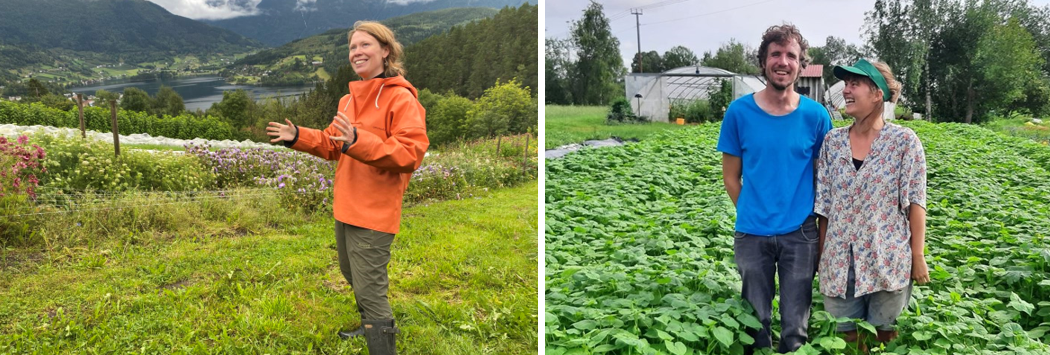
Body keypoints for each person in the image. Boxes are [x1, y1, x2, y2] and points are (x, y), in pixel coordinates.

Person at [266, 20, 428, 355]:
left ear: (386, 51)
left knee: (369, 286)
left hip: (375, 210)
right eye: (353, 47)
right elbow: (332, 144)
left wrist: (360, 141)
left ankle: (382, 344)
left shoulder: (401, 99)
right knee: (351, 272)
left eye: (365, 45)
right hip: (346, 204)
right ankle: (370, 324)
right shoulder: (347, 100)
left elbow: (410, 153)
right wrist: (298, 137)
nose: (357, 52)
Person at [716, 24, 832, 353]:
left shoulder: (816, 116)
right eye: (776, 54)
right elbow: (730, 177)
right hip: (752, 233)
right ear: (764, 62)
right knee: (755, 321)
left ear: (801, 64)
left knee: (796, 325)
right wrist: (752, 210)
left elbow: (822, 177)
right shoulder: (739, 113)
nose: (783, 61)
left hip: (801, 233)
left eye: (791, 55)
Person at [814, 59, 929, 350]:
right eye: (846, 84)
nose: (846, 90)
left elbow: (915, 201)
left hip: (887, 259)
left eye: (855, 84)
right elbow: (825, 207)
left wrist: (918, 255)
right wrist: (823, 255)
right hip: (840, 262)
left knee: (883, 337)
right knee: (847, 340)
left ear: (877, 93)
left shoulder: (904, 142)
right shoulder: (833, 142)